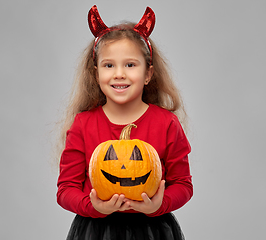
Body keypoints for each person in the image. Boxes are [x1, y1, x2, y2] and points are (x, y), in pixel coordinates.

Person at [56, 5, 193, 240]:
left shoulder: (167, 123)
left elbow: (183, 184)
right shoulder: (83, 124)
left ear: (148, 74)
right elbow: (66, 189)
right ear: (96, 73)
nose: (119, 74)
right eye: (109, 65)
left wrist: (159, 205)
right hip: (96, 231)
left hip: (152, 230)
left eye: (130, 65)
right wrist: (93, 207)